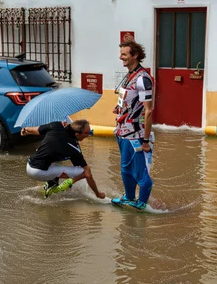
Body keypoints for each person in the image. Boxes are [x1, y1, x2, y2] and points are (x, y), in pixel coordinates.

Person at [112, 39, 154, 210]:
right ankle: (129, 198)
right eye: (121, 53)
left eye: (124, 54)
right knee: (125, 170)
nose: (120, 57)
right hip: (122, 132)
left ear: (135, 55)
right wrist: (119, 107)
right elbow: (130, 100)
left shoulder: (143, 79)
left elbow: (148, 111)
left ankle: (142, 204)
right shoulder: (130, 75)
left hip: (135, 135)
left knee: (140, 174)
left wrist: (145, 141)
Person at [21, 119, 105, 199]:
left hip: (29, 165)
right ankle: (64, 185)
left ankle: (52, 183)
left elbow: (37, 130)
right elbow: (88, 174)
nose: (88, 135)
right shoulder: (73, 147)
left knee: (57, 160)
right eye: (86, 133)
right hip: (38, 172)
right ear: (77, 134)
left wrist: (26, 130)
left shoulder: (56, 125)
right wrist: (97, 194)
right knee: (84, 172)